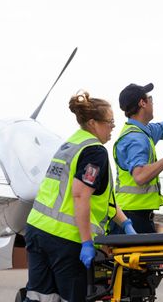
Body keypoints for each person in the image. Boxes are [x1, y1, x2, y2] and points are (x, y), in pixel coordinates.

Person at [24, 90, 135, 302]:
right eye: (110, 122)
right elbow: (80, 196)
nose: (113, 127)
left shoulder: (71, 144)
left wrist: (126, 223)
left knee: (40, 296)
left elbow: (102, 199)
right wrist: (86, 243)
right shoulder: (94, 152)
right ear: (93, 123)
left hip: (37, 229)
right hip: (65, 239)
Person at [113, 83, 163, 233]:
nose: (152, 102)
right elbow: (140, 176)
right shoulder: (136, 138)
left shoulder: (143, 130)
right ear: (142, 103)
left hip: (133, 214)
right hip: (132, 217)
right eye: (150, 99)